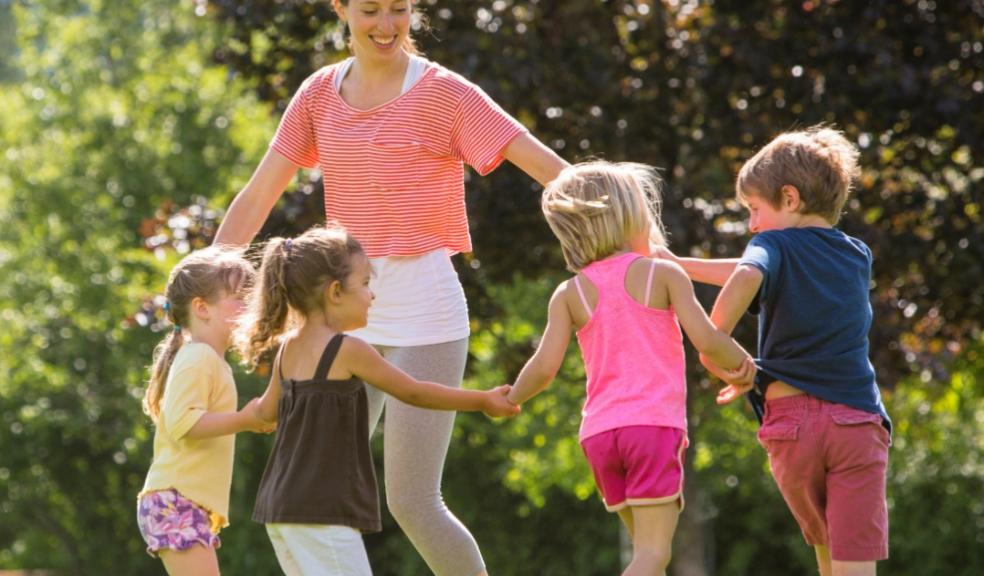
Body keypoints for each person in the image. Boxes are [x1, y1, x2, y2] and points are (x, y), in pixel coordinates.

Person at [212, 1, 567, 573]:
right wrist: (212, 271)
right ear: (341, 8)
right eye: (370, 9)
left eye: (398, 9)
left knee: (413, 501)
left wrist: (623, 228)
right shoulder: (319, 94)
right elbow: (258, 196)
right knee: (315, 488)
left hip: (427, 314)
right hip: (342, 312)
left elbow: (551, 170)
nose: (385, 24)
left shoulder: (445, 93)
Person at [503, 161, 754, 576]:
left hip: (600, 436)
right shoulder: (663, 274)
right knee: (654, 556)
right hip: (652, 429)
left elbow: (544, 368)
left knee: (644, 555)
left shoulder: (569, 293)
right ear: (627, 217)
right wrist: (745, 367)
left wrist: (511, 398)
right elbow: (707, 339)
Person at [661, 125, 891, 576]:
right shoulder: (856, 254)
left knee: (825, 550)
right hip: (856, 423)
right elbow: (752, 268)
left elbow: (749, 273)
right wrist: (677, 264)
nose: (751, 224)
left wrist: (717, 338)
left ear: (789, 198)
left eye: (754, 209)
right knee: (852, 563)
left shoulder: (769, 245)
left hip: (793, 428)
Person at [235, 225, 519, 576]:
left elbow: (264, 412)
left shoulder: (287, 350)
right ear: (335, 292)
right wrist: (482, 400)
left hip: (280, 507)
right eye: (366, 284)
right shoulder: (349, 350)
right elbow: (413, 391)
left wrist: (225, 420)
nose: (372, 296)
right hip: (323, 512)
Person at [137, 246, 272, 575]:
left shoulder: (207, 358)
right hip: (176, 500)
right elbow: (183, 422)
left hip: (181, 501)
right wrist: (245, 420)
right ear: (202, 308)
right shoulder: (199, 357)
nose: (250, 306)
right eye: (240, 297)